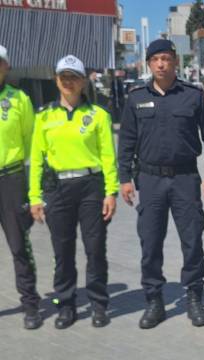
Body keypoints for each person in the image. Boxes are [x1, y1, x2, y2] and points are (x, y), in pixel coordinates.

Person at [118, 39, 204, 329]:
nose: (161, 64)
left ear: (175, 61)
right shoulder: (136, 98)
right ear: (149, 64)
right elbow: (126, 142)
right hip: (149, 180)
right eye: (155, 59)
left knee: (192, 240)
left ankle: (194, 297)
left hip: (185, 178)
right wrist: (125, 178)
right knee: (150, 242)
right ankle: (154, 300)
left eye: (166, 58)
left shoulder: (193, 96)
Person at [29, 55, 118, 329]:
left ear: (83, 81)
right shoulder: (44, 116)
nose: (68, 82)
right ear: (56, 80)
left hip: (91, 187)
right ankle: (66, 304)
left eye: (74, 77)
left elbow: (107, 156)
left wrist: (111, 192)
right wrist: (34, 197)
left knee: (95, 249)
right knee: (63, 250)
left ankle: (99, 303)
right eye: (63, 77)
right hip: (57, 190)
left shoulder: (98, 115)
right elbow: (36, 159)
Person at [0, 45, 42, 329]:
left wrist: (31, 184)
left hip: (11, 179)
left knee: (19, 245)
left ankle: (30, 303)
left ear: (6, 66)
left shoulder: (18, 100)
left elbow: (32, 142)